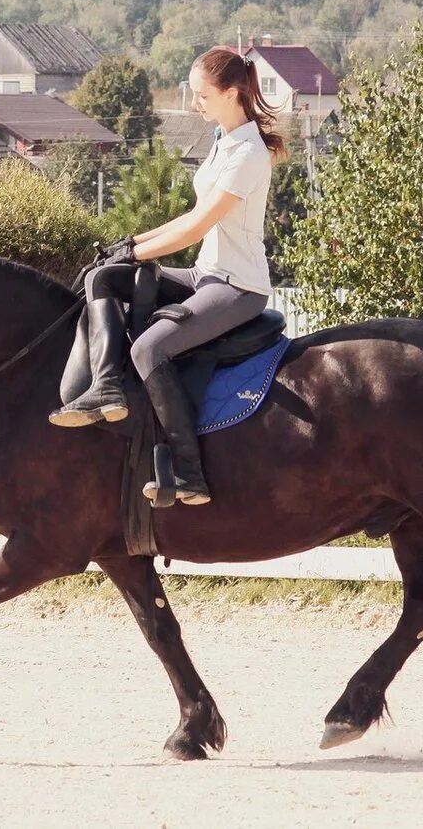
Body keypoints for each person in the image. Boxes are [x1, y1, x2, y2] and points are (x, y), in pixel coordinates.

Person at [48, 46, 287, 505]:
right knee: (103, 279)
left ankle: (188, 470)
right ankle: (106, 388)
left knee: (150, 347)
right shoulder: (223, 139)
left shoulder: (248, 153)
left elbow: (196, 228)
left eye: (201, 95)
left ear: (231, 93)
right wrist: (128, 246)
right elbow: (193, 215)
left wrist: (138, 251)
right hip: (206, 274)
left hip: (238, 289)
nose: (194, 103)